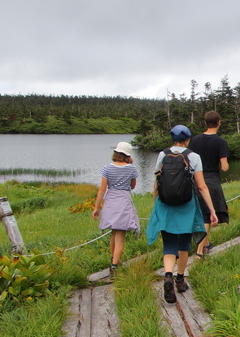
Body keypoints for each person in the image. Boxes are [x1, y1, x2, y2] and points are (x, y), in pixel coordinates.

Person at [146, 125, 218, 303]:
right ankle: (180, 279)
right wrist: (212, 209)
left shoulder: (163, 155)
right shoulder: (193, 157)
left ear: (173, 138)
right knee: (184, 243)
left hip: (166, 205)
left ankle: (168, 275)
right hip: (187, 205)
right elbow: (201, 186)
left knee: (169, 243)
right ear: (188, 139)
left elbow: (157, 182)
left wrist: (156, 203)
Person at [92, 141, 140, 278]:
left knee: (113, 233)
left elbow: (102, 189)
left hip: (110, 201)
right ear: (127, 155)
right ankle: (114, 266)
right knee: (120, 237)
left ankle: (112, 260)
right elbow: (132, 186)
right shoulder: (132, 169)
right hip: (123, 201)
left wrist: (96, 207)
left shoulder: (107, 168)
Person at [189, 110, 230, 258]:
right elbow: (224, 167)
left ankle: (205, 244)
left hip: (195, 179)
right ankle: (200, 252)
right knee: (207, 216)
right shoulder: (221, 142)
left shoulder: (194, 140)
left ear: (205, 123)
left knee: (200, 213)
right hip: (211, 180)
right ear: (218, 122)